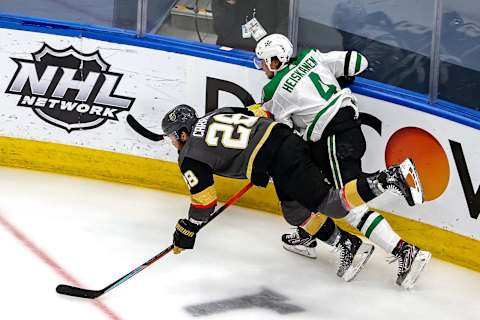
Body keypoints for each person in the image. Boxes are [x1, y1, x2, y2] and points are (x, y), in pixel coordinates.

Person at [162, 104, 429, 288]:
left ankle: (389, 178)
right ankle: (347, 244)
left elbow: (205, 201)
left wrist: (189, 227)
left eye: (173, 137)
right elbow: (260, 112)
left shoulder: (189, 155)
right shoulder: (217, 113)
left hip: (279, 158)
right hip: (285, 140)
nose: (173, 143)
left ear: (183, 133)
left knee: (332, 204)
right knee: (295, 212)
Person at [251, 33, 431, 288]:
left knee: (349, 206)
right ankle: (307, 235)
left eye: (263, 62)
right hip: (346, 129)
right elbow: (358, 62)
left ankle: (405, 250)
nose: (262, 68)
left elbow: (283, 133)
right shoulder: (311, 57)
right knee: (307, 186)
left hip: (331, 139)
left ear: (275, 60)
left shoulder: (273, 92)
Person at [211, 0, 289, 51]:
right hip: (229, 50)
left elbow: (286, 22)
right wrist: (229, 3)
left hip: (264, 53)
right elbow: (220, 30)